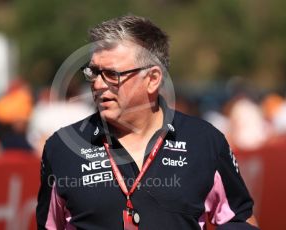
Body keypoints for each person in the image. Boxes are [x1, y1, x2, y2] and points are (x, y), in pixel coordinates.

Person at [36, 15, 259, 229]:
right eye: (93, 72)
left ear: (152, 79)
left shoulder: (204, 141)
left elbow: (238, 218)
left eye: (112, 75)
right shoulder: (61, 147)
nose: (97, 84)